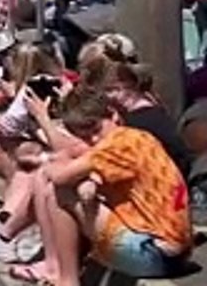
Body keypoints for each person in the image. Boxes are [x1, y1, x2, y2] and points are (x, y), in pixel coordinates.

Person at [29, 88, 193, 285]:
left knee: (60, 193)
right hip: (176, 252)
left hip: (152, 252)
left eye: (96, 130)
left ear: (113, 114)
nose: (94, 140)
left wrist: (49, 165)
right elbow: (78, 154)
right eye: (86, 136)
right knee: (81, 187)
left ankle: (67, 279)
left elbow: (60, 177)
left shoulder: (116, 144)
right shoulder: (139, 137)